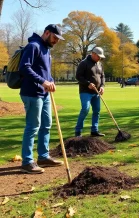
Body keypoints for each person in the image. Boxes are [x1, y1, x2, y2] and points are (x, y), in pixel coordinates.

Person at [19, 24, 65, 174]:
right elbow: (24, 67)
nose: (56, 41)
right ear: (46, 33)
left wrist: (50, 81)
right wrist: (42, 81)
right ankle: (27, 161)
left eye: (58, 39)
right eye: (55, 37)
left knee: (46, 124)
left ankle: (43, 157)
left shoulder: (46, 49)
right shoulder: (33, 46)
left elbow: (46, 72)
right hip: (32, 93)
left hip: (44, 94)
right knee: (33, 126)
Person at [75, 47, 106, 137]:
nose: (99, 58)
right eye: (98, 56)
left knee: (97, 111)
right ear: (93, 54)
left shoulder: (100, 64)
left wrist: (102, 87)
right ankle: (78, 131)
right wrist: (87, 83)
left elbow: (103, 76)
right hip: (85, 91)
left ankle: (94, 130)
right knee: (85, 109)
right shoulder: (84, 63)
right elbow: (78, 76)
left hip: (96, 92)